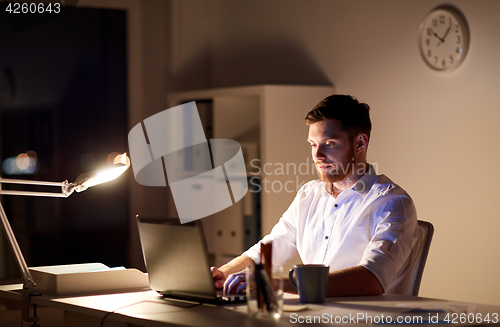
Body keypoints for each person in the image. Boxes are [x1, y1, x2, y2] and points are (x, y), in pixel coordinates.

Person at [211, 94, 417, 297]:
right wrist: (225, 273)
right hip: (311, 314)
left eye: (329, 144)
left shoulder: (391, 203)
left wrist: (271, 283)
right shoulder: (309, 194)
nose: (317, 155)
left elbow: (371, 280)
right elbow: (272, 247)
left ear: (360, 143)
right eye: (313, 144)